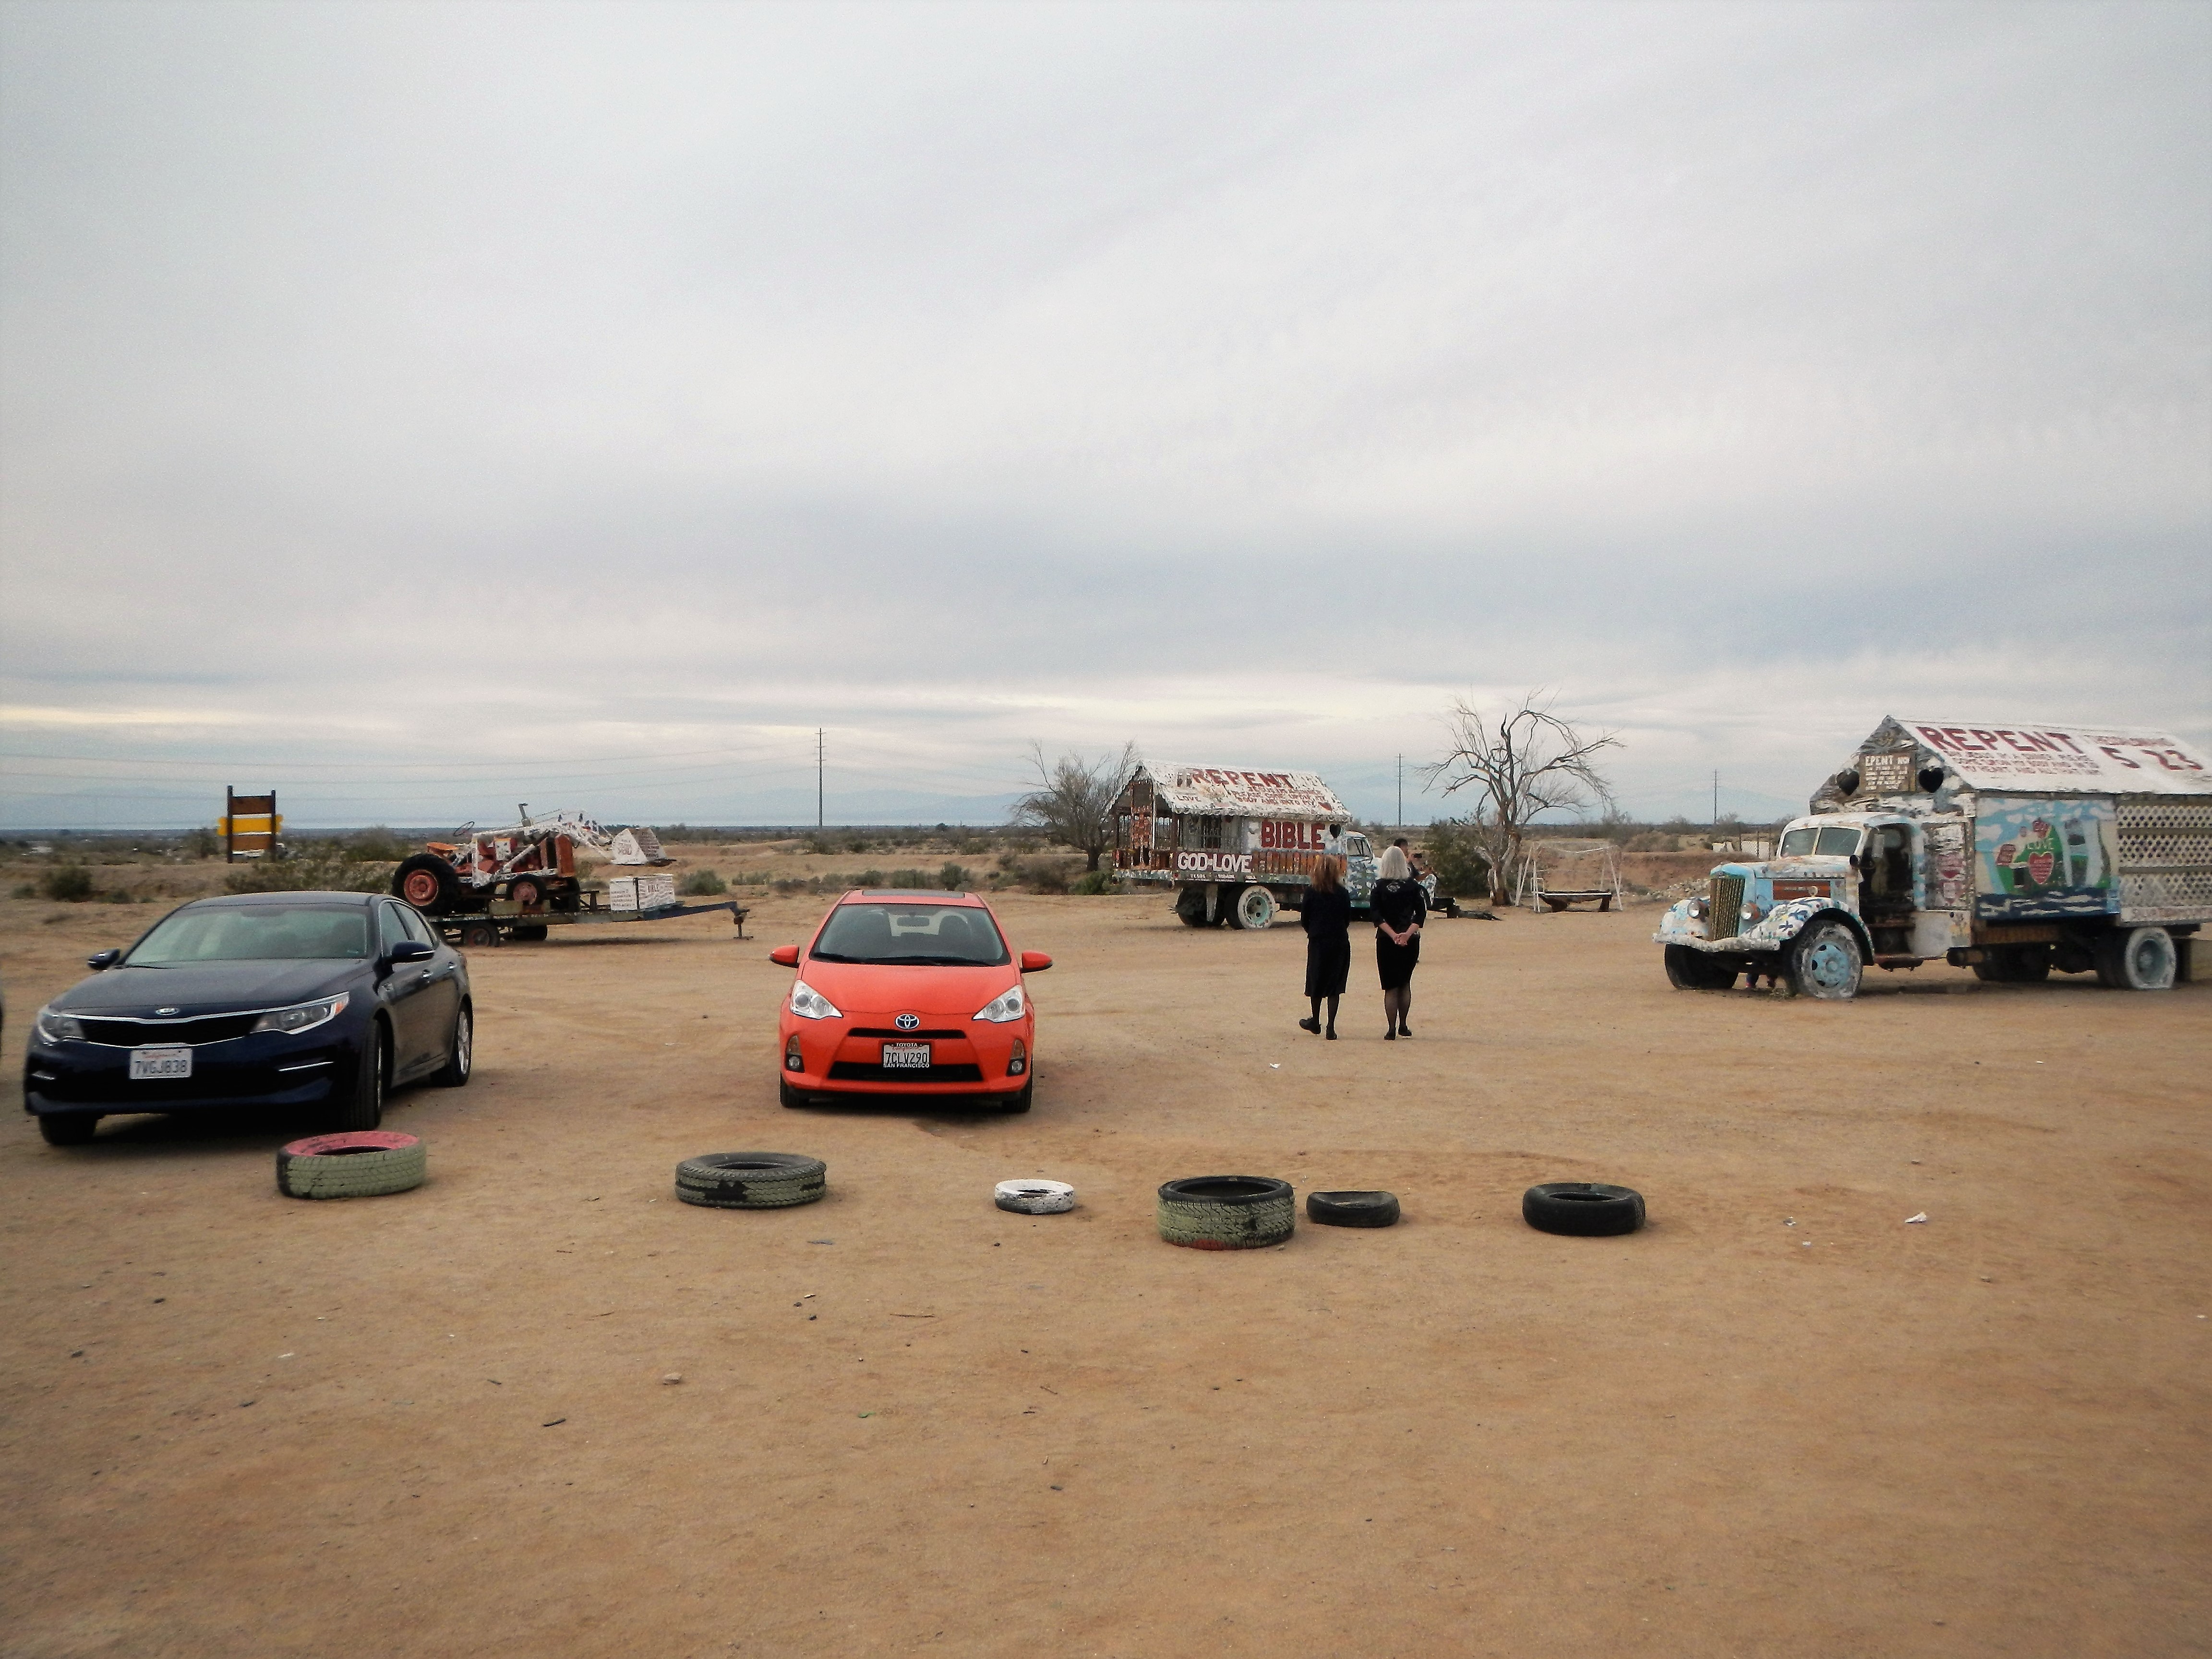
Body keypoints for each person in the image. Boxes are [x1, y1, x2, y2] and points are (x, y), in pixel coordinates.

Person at [1370, 844, 1426, 1039]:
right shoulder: (1413, 886)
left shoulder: (1378, 887)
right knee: (1404, 983)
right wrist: (1406, 935)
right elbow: (1421, 915)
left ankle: (1391, 1029)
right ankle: (1403, 1025)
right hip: (1410, 941)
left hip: (1386, 941)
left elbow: (1376, 916)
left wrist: (1393, 935)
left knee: (1391, 986)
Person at [1298, 854, 1352, 1039]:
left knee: (1317, 981)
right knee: (1335, 984)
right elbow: (1347, 919)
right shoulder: (1343, 893)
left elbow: (1304, 919)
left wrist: (1314, 931)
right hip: (1339, 942)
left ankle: (1315, 1020)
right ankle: (1331, 1027)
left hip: (1318, 941)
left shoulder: (1311, 892)